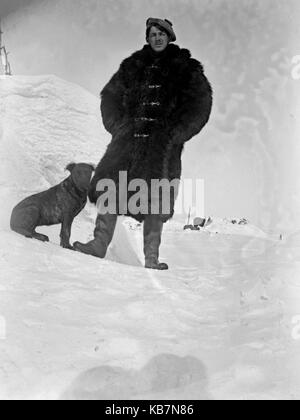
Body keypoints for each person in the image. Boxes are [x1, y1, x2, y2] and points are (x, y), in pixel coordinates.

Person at [74, 18, 213, 270]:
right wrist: (120, 128)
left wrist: (174, 134)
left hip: (162, 148)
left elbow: (200, 106)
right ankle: (98, 244)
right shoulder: (132, 65)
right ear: (147, 37)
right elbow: (110, 96)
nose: (157, 37)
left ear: (170, 37)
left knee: (156, 199)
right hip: (127, 144)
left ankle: (151, 258)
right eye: (152, 34)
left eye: (162, 33)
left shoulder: (187, 69)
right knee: (111, 190)